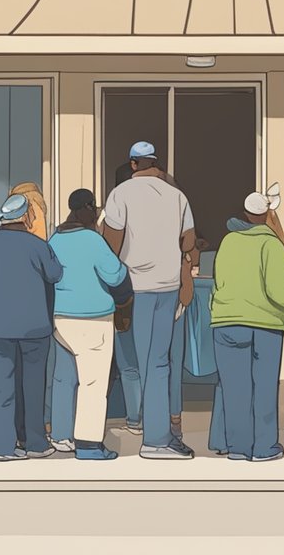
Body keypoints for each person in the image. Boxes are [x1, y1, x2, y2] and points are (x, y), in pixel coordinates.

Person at [102, 140, 197, 460]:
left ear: (132, 165)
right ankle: (158, 438)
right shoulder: (178, 196)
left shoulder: (120, 195)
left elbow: (110, 244)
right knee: (158, 363)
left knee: (136, 363)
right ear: (156, 163)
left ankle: (147, 432)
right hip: (167, 288)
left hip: (133, 288)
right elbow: (189, 240)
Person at [210, 188, 284, 462]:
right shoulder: (271, 244)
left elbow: (218, 281)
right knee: (264, 386)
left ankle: (237, 447)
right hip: (264, 324)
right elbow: (278, 290)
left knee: (235, 387)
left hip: (226, 321)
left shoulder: (228, 242)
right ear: (267, 215)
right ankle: (263, 447)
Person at [0, 194, 64, 462]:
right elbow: (55, 274)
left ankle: (2, 446)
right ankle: (35, 443)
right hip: (34, 326)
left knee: (3, 385)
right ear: (25, 216)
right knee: (33, 386)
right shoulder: (37, 245)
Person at [46, 189, 124, 460]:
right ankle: (89, 444)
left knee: (63, 379)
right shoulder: (93, 240)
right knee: (93, 383)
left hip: (60, 318)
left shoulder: (54, 238)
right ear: (89, 209)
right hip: (92, 318)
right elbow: (115, 276)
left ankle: (60, 435)